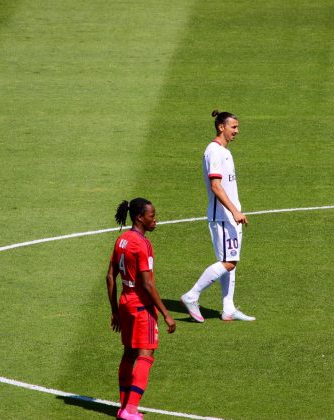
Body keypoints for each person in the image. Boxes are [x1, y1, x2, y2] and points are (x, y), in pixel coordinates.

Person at [181, 110, 255, 322]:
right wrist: (234, 211)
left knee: (231, 260)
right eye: (233, 127)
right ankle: (192, 295)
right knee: (229, 261)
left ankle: (228, 308)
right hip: (222, 216)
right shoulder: (214, 151)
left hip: (228, 216)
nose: (237, 131)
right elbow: (215, 185)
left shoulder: (224, 151)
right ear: (221, 127)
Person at [106, 198, 176, 420]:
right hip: (141, 307)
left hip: (125, 304)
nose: (155, 220)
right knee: (146, 354)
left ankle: (123, 406)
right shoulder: (142, 245)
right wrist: (165, 313)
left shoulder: (122, 240)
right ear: (139, 217)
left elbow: (110, 276)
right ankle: (131, 409)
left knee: (128, 353)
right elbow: (147, 284)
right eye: (152, 216)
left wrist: (115, 310)